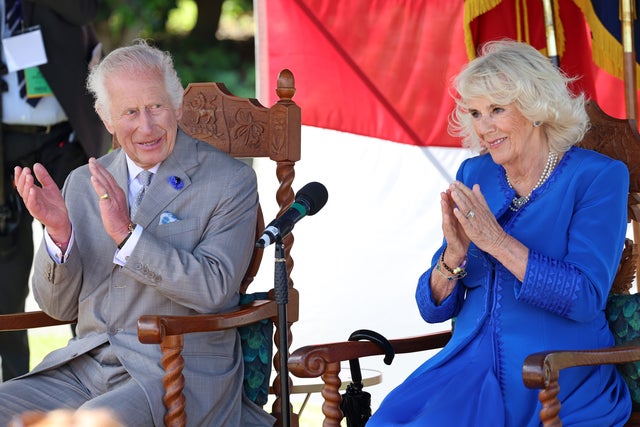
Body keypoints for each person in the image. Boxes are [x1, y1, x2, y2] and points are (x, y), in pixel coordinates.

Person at [0, 40, 273, 426]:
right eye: (130, 112)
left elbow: (215, 291)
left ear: (176, 105)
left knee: (95, 422)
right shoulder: (82, 182)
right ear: (107, 118)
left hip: (177, 370)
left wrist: (130, 236)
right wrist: (59, 235)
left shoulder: (231, 181)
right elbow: (56, 308)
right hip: (85, 368)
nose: (146, 127)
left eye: (156, 107)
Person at [367, 40, 632, 426]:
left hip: (553, 373)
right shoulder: (475, 175)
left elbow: (585, 297)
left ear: (536, 108)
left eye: (496, 110)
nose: (483, 127)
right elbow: (431, 308)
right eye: (475, 112)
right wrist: (452, 258)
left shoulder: (598, 177)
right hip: (468, 368)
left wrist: (498, 243)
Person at [0, 0, 109, 380]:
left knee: (82, 260)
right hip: (5, 144)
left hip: (64, 142)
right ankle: (12, 389)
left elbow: (85, 10)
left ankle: (91, 375)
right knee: (5, 277)